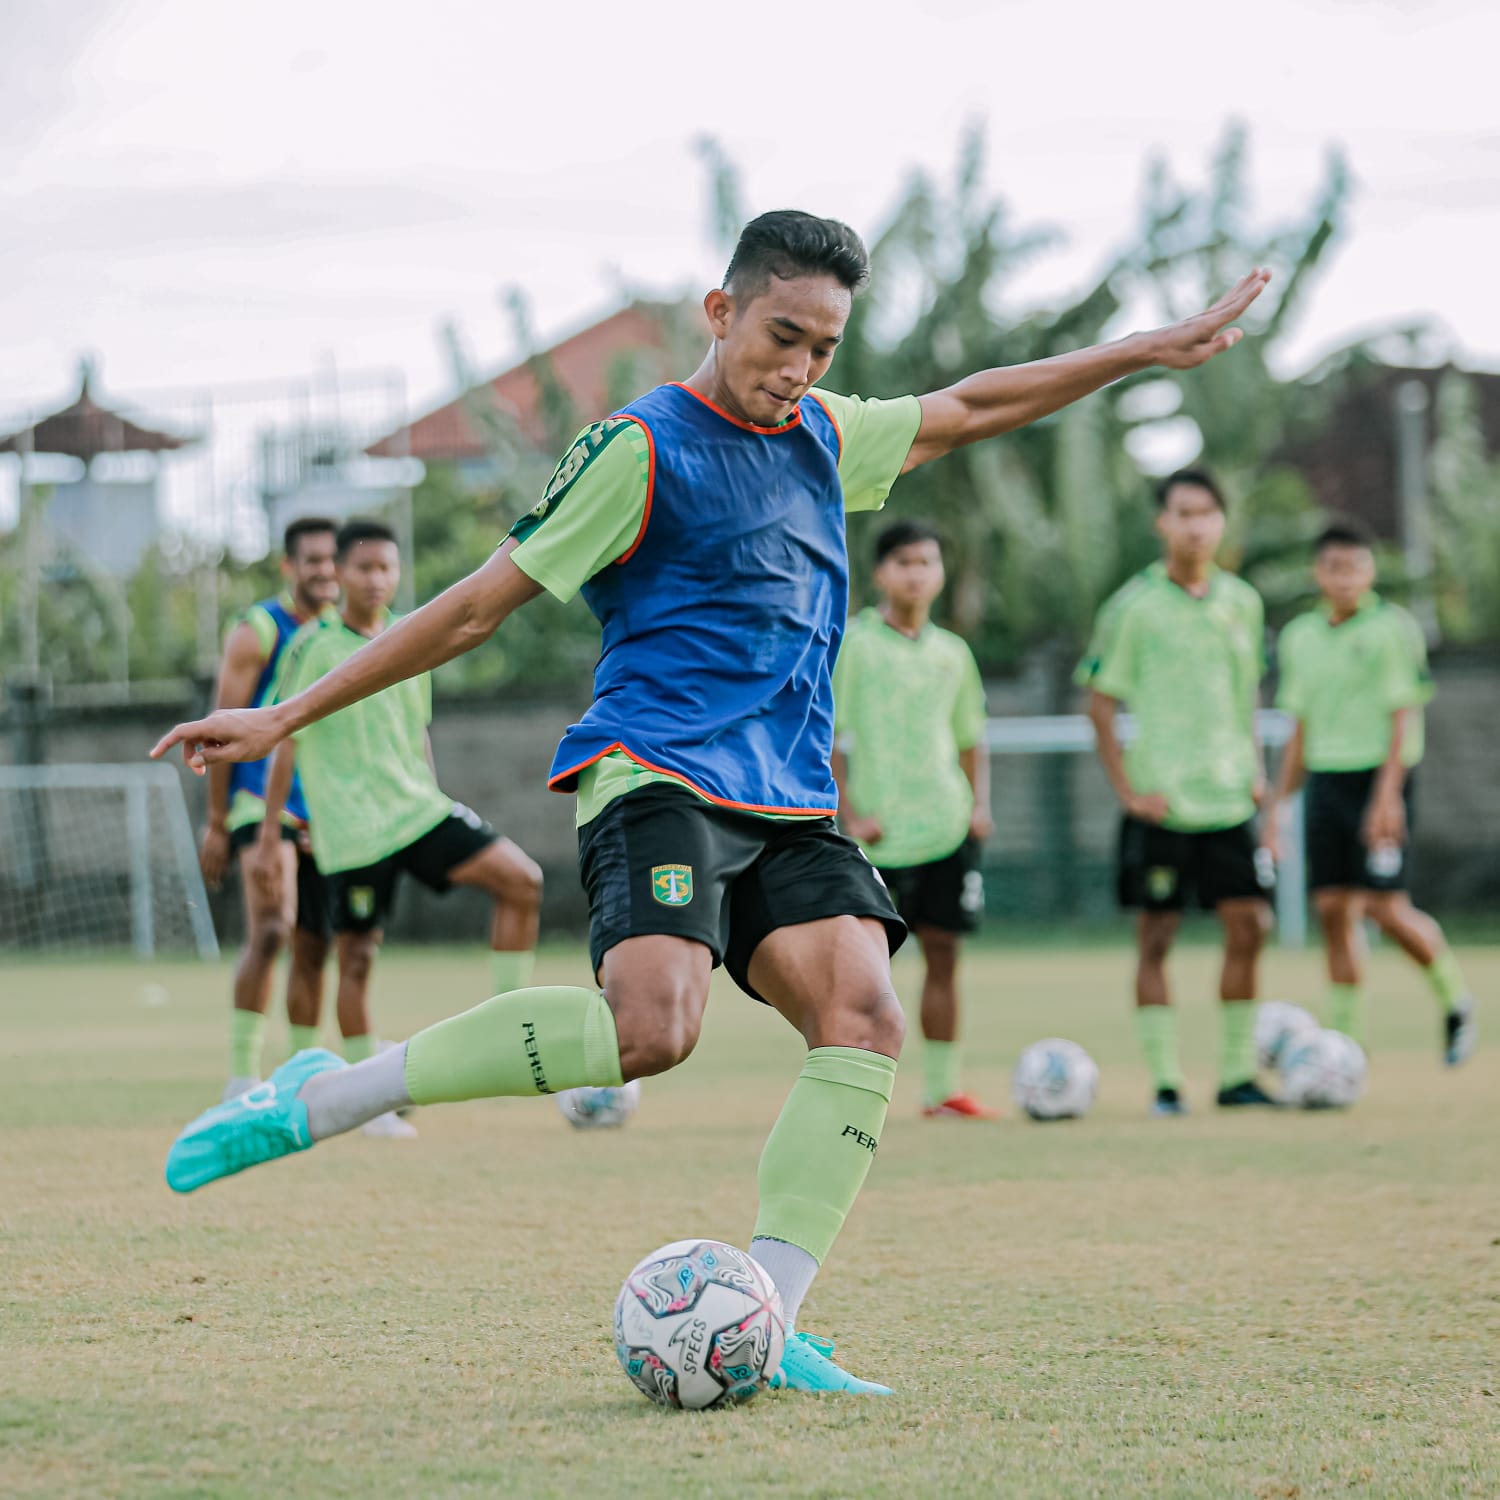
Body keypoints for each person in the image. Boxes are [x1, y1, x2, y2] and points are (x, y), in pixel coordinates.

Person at [153, 211, 1268, 1393]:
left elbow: (974, 404)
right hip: (662, 773)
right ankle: (324, 1095)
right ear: (721, 311)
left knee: (866, 1018)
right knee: (651, 1034)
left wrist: (1139, 350)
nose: (799, 368)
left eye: (825, 348)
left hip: (789, 798)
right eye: (782, 335)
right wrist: (285, 715)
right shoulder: (638, 449)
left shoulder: (830, 435)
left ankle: (770, 1325)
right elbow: (479, 606)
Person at [252, 518, 545, 1137]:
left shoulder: (414, 638)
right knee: (354, 960)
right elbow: (284, 739)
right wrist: (270, 832)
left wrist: (434, 792)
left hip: (416, 810)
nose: (376, 579)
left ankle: (502, 1026)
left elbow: (416, 732)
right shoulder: (312, 647)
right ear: (339, 574)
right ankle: (365, 1102)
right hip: (353, 830)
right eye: (363, 568)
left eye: (386, 567)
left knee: (521, 880)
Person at [1077, 468, 1277, 1116]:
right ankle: (1165, 1082)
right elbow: (1100, 701)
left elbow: (1246, 690)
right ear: (1162, 523)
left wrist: (1254, 767)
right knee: (1156, 938)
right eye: (1183, 513)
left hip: (1228, 798)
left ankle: (1237, 1073)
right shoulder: (1133, 606)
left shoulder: (1242, 601)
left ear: (1221, 522)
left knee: (1251, 926)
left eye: (1207, 513)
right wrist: (1128, 789)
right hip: (1163, 803)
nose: (1196, 525)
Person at [1261, 518, 1476, 1065]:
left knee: (1385, 908)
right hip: (1326, 782)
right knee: (1333, 910)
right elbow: (1300, 730)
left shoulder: (1391, 629)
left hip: (1380, 778)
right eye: (1335, 568)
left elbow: (1403, 716)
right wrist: (1278, 805)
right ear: (1319, 573)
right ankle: (1345, 1043)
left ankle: (1455, 999)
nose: (1345, 578)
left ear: (1370, 571)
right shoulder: (1300, 637)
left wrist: (1387, 799)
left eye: (1355, 567)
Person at [832, 519, 996, 1119]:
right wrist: (849, 813)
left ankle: (943, 1090)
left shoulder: (954, 653)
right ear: (880, 573)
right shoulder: (855, 644)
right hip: (877, 837)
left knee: (946, 953)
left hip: (944, 827)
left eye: (927, 562)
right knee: (864, 973)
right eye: (904, 562)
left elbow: (971, 736)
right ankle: (854, 1094)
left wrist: (978, 805)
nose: (916, 573)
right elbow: (828, 736)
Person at [197, 516, 338, 1100]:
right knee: (272, 929)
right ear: (289, 567)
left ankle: (303, 1074)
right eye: (312, 560)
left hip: (328, 805)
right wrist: (215, 821)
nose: (324, 571)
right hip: (260, 802)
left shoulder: (349, 634)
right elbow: (218, 732)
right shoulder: (258, 630)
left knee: (316, 943)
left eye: (333, 559)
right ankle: (241, 1076)